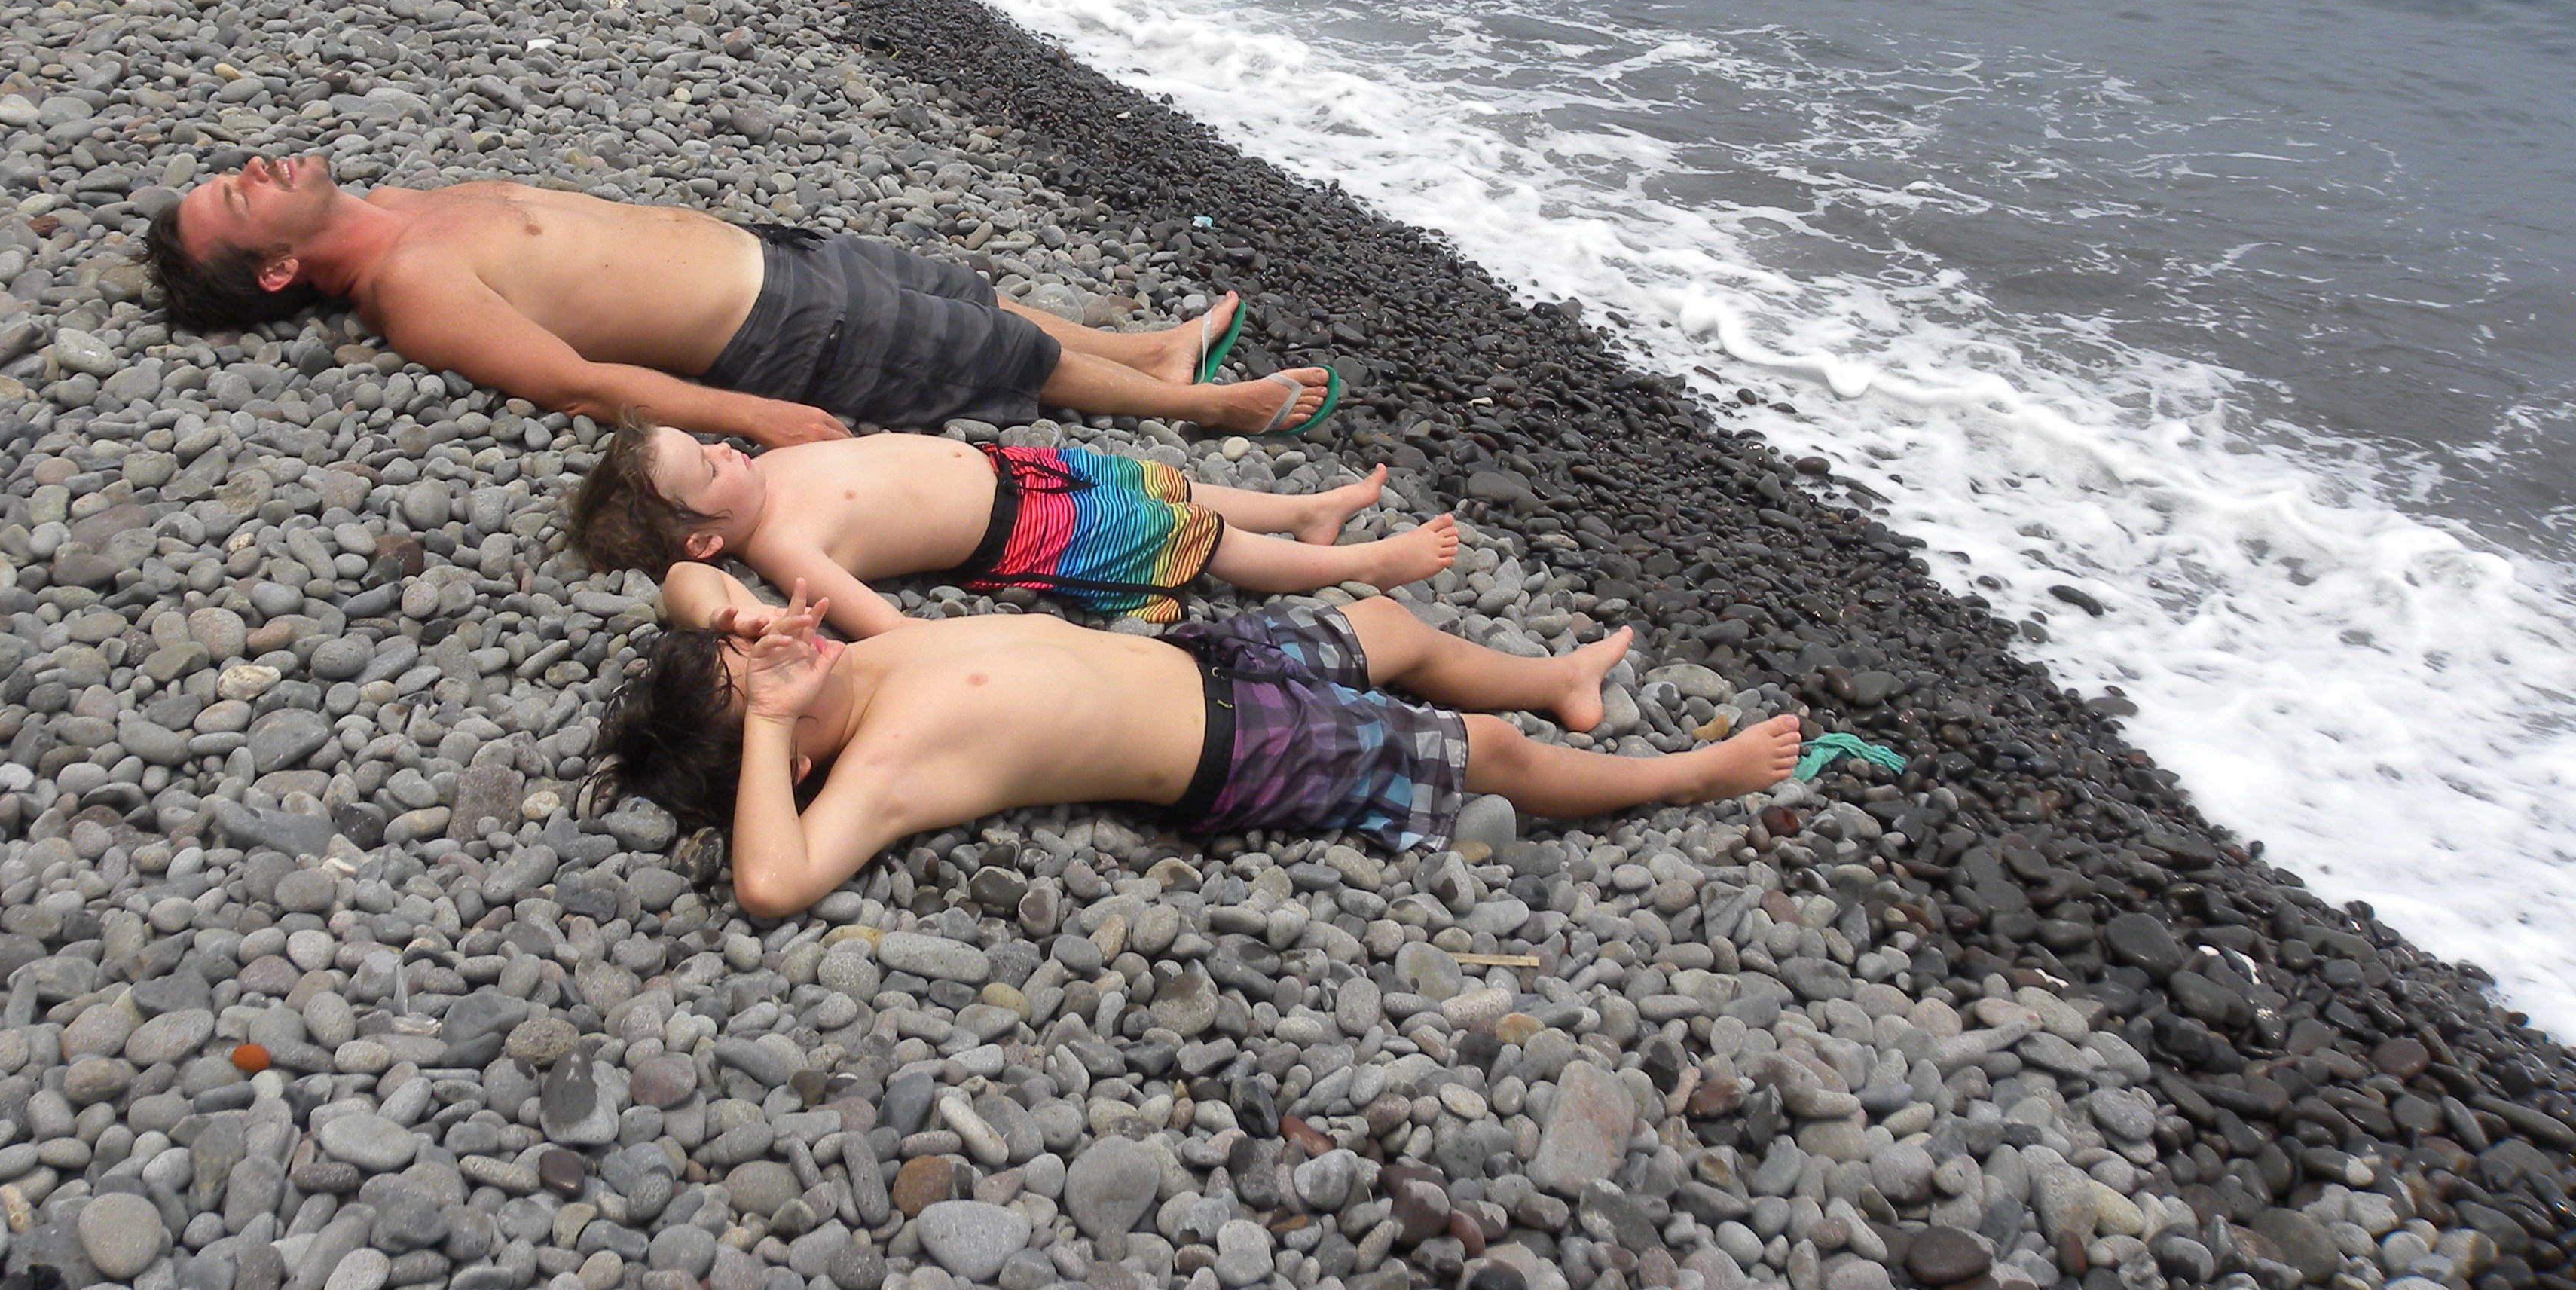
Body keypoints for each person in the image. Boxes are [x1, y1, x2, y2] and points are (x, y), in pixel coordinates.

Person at [597, 567, 1806, 919]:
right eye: (765, 684)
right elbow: (771, 883)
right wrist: (768, 718)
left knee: (1387, 625)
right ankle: (1682, 774)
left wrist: (740, 637)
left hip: (1196, 660)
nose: (783, 650)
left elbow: (688, 577)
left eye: (762, 646)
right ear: (789, 761)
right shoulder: (880, 764)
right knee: (1480, 749)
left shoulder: (856, 665)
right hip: (1232, 752)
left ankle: (1560, 679)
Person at [145, 154, 1342, 447]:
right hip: (772, 333)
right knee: (984, 350)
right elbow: (577, 384)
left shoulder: (404, 205)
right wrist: (757, 419)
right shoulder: (409, 287)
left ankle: (1151, 349)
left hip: (770, 256)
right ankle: (1204, 410)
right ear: (277, 269)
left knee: (963, 292)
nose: (257, 166)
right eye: (240, 197)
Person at [572, 414, 1456, 628]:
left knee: (1162, 483)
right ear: (705, 541)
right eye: (708, 469)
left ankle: (1308, 511)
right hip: (1018, 538)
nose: (726, 452)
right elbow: (882, 625)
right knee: (1192, 539)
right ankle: (1362, 567)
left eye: (710, 443)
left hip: (1012, 469)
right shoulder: (785, 544)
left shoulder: (765, 472)